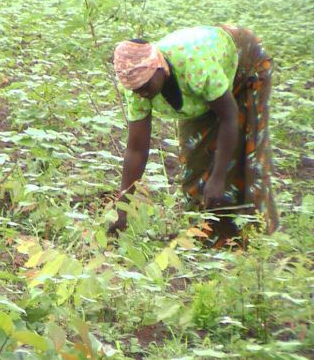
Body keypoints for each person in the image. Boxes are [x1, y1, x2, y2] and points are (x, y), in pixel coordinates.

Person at [111, 25, 279, 246]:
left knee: (244, 154)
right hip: (207, 87)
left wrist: (218, 178)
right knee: (194, 159)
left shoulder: (194, 66)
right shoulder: (138, 89)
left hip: (244, 63)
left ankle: (252, 236)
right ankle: (207, 234)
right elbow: (136, 149)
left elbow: (229, 117)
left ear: (159, 67)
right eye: (135, 89)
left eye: (145, 85)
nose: (140, 93)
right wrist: (123, 208)